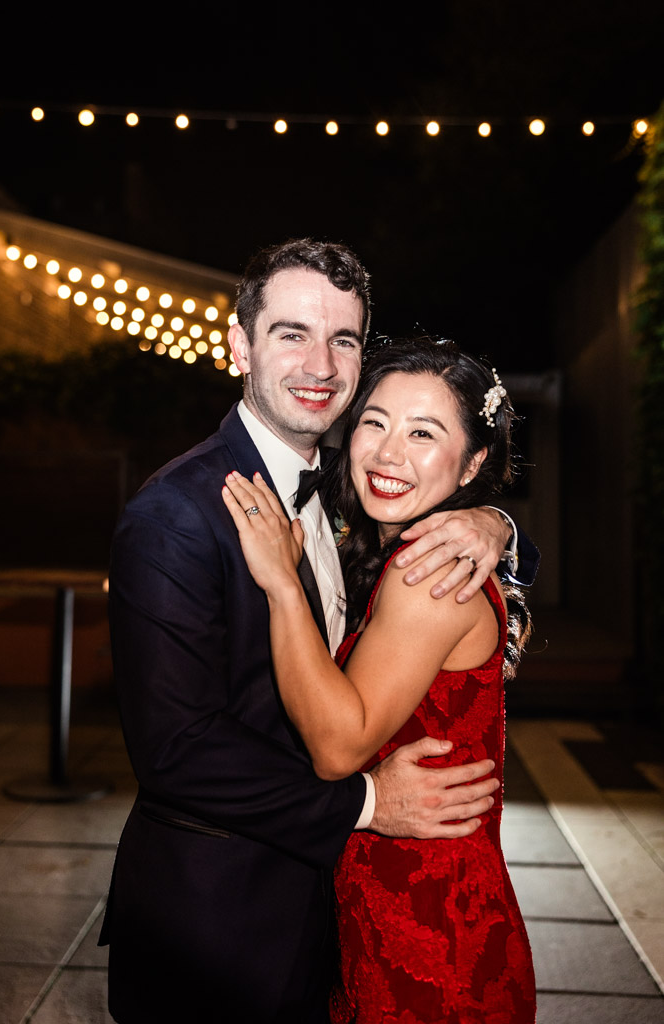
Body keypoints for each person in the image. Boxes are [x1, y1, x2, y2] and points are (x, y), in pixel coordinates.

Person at [100, 239, 538, 1024]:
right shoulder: (177, 514)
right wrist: (367, 803)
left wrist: (496, 525)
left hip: (338, 913)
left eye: (342, 339)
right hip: (218, 920)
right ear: (238, 344)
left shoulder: (354, 492)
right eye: (292, 333)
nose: (321, 363)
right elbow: (175, 752)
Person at [222, 335, 536, 1023]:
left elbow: (339, 748)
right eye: (374, 422)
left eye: (423, 433)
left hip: (430, 922)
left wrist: (280, 583)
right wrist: (497, 522)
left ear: (472, 462)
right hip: (395, 901)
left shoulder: (427, 574)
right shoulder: (398, 538)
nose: (388, 453)